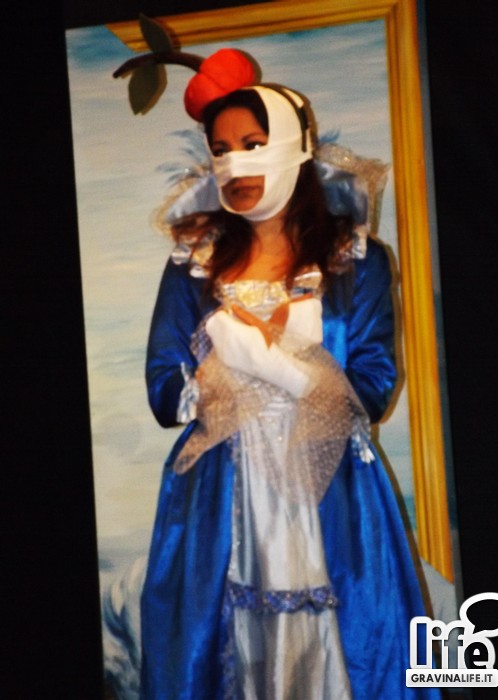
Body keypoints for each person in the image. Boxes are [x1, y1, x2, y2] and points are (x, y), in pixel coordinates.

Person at [139, 52, 439, 700]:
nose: (235, 165)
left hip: (331, 494)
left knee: (346, 651)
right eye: (221, 150)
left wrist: (267, 363)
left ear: (294, 146)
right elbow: (163, 387)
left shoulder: (355, 260)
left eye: (252, 144)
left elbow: (374, 384)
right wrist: (219, 380)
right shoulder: (193, 264)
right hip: (222, 495)